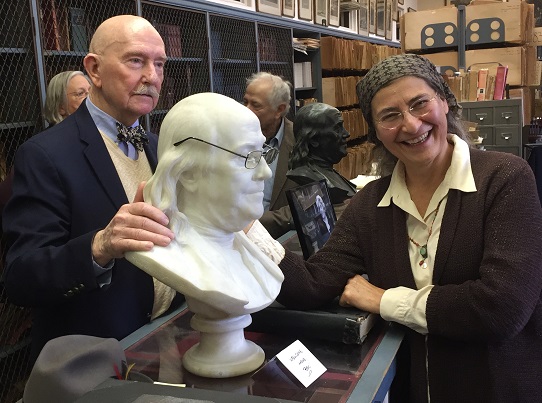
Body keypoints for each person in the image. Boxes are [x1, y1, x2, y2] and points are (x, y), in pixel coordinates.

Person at [248, 54, 542, 402]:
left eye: (420, 104)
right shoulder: (372, 203)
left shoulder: (505, 178)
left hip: (497, 388)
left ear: (445, 102)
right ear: (375, 132)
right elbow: (312, 285)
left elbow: (501, 309)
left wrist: (384, 299)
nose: (412, 125)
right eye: (390, 115)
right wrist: (244, 226)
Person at [2, 15, 178, 363]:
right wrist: (99, 246)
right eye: (136, 61)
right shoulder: (44, 155)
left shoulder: (162, 147)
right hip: (98, 361)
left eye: (159, 64)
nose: (152, 77)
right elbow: (21, 277)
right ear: (94, 69)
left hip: (169, 339)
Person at [126, 92, 283, 317]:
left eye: (262, 153)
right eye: (248, 156)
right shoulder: (173, 258)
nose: (265, 172)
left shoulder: (250, 254)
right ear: (189, 172)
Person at [243, 72, 295, 238]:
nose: (246, 110)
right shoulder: (233, 139)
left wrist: (256, 224)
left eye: (255, 105)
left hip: (281, 238)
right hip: (235, 237)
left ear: (279, 110)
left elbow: (310, 200)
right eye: (245, 102)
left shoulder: (301, 142)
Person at [287, 102, 356, 207]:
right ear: (314, 139)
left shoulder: (328, 172)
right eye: (337, 128)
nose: (346, 134)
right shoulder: (307, 176)